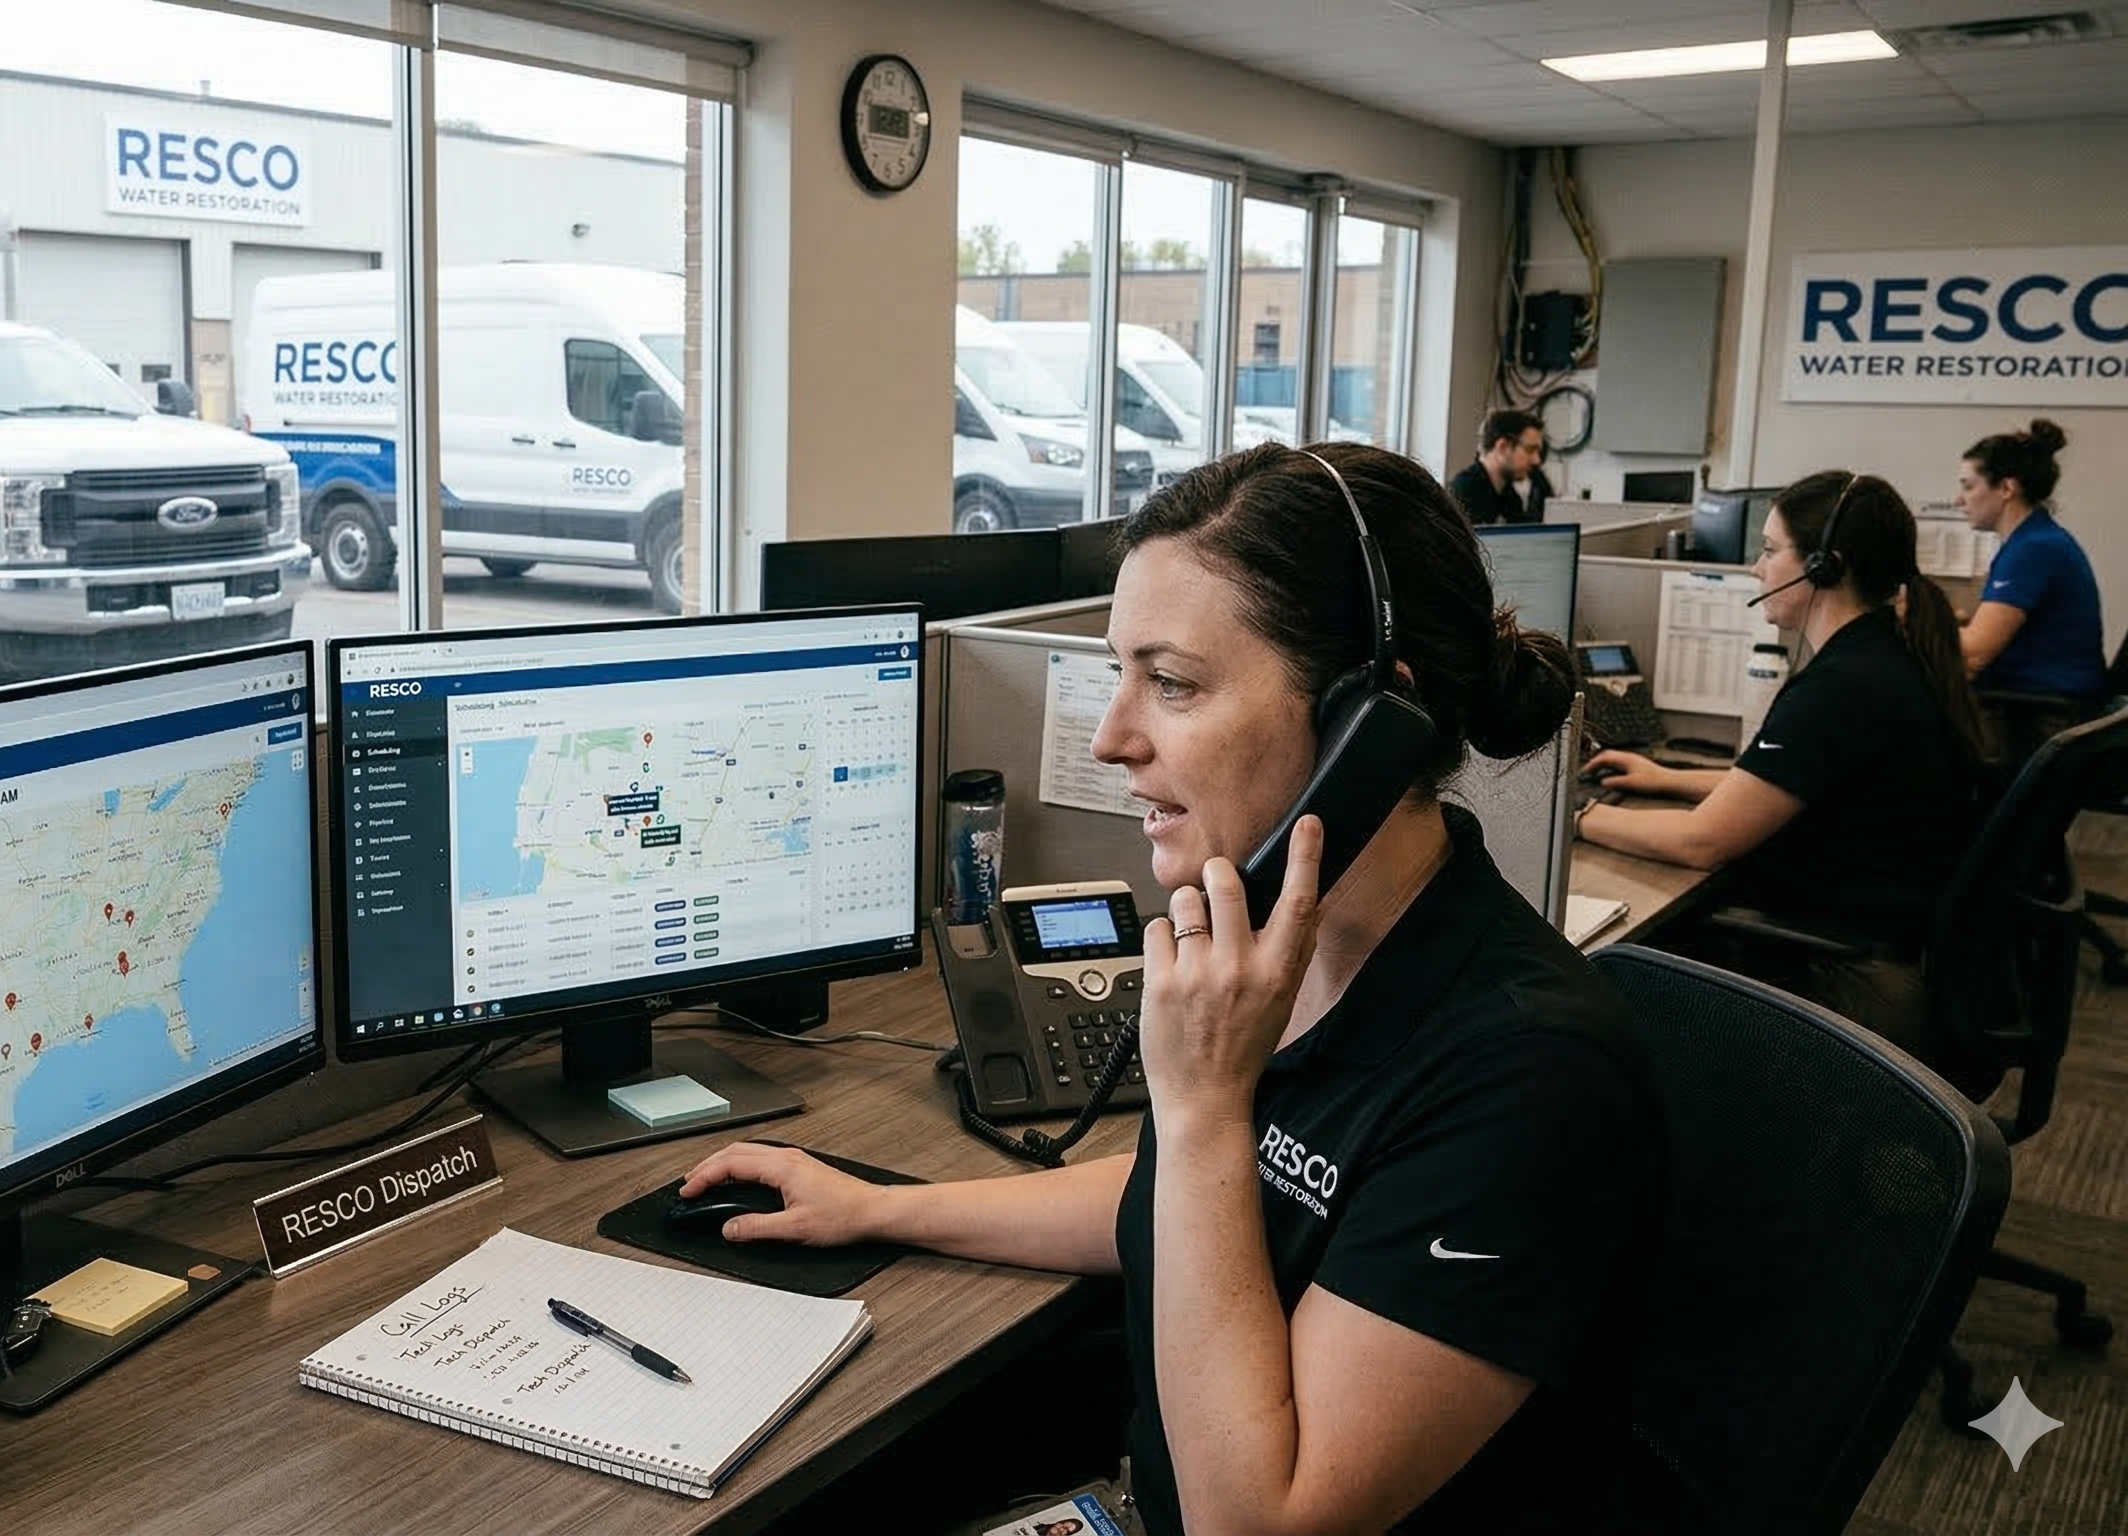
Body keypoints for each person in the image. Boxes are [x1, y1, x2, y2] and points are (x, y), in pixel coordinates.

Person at [685, 444, 1671, 1536]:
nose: (1111, 737)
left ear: (1369, 722)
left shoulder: (1524, 1076)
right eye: (1118, 673)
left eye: (1170, 682)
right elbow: (1217, 1206)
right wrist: (881, 1208)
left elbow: (1254, 1523)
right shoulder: (1282, 962)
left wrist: (1202, 1103)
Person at [1577, 471, 1987, 1058]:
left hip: (1839, 976)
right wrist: (1665, 778)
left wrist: (1577, 820)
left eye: (1770, 551)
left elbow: (1702, 843)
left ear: (1824, 567)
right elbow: (1788, 784)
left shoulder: (1841, 688)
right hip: (1878, 942)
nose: (1756, 569)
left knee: (1601, 981)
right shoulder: (1882, 656)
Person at [1957, 418, 2105, 702]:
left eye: (1968, 486)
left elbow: (1975, 654)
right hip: (2035, 701)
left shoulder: (2034, 548)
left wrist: (1918, 624)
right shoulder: (2033, 540)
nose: (1959, 500)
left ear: (2006, 489)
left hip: (2041, 712)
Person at [1447, 409, 1542, 526]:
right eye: (1530, 450)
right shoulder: (1462, 495)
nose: (1536, 460)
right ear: (1502, 447)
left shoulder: (1511, 498)